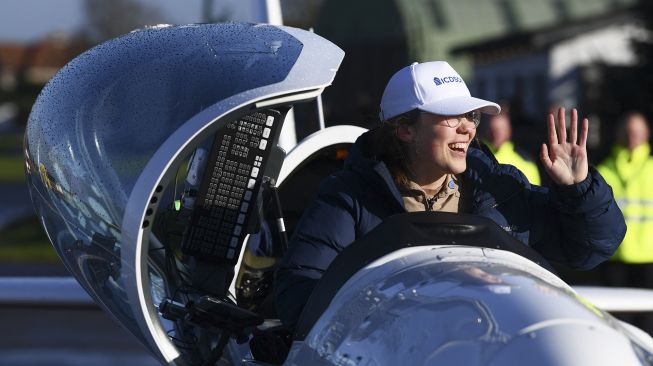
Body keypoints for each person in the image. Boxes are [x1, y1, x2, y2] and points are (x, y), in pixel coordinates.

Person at [275, 61, 626, 329]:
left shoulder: (497, 188)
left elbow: (591, 249)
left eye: (470, 115)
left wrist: (577, 188)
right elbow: (299, 300)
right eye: (449, 116)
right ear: (406, 129)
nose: (469, 126)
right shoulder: (348, 197)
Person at [598, 112, 653, 285]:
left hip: (648, 257)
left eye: (637, 131)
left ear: (647, 134)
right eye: (628, 131)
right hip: (614, 256)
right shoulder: (604, 170)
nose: (632, 136)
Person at [483, 105, 541, 185]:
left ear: (508, 131)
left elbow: (533, 194)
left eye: (500, 130)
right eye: (492, 130)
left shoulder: (525, 162)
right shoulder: (474, 151)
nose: (495, 135)